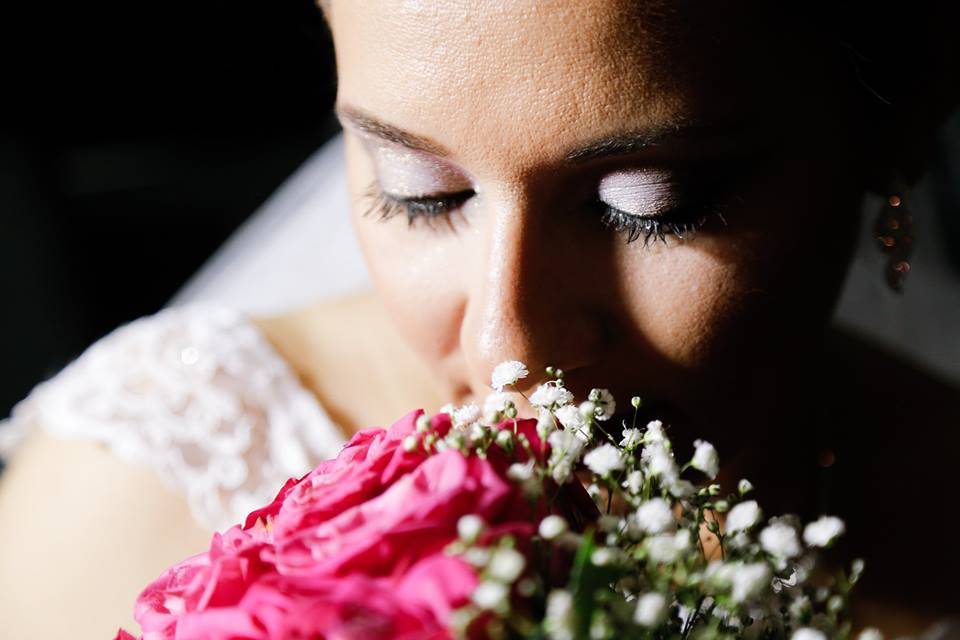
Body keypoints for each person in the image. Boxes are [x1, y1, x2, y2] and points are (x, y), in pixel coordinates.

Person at [1, 1, 958, 637]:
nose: (509, 345)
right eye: (419, 193)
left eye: (650, 203)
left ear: (896, 128)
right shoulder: (139, 493)